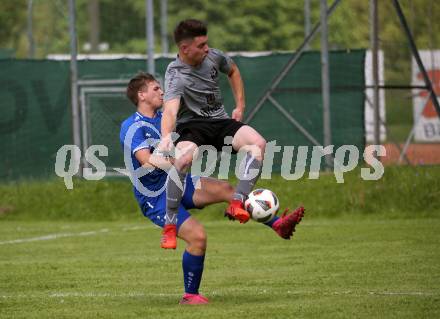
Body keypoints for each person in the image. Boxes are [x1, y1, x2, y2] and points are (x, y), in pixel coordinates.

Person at [120, 72, 304, 305]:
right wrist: (179, 158)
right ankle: (190, 296)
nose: (162, 92)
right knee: (198, 237)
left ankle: (278, 225)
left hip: (181, 181)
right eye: (156, 88)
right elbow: (146, 161)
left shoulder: (165, 118)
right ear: (141, 94)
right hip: (155, 197)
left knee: (227, 189)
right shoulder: (132, 126)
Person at [159, 19, 305, 249]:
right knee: (183, 159)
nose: (207, 49)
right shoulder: (175, 74)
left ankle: (237, 202)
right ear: (184, 48)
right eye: (201, 46)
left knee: (258, 144)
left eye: (207, 43)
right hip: (193, 127)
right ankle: (169, 225)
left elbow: (234, 70)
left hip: (221, 122)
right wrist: (166, 135)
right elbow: (170, 109)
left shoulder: (214, 57)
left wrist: (240, 105)